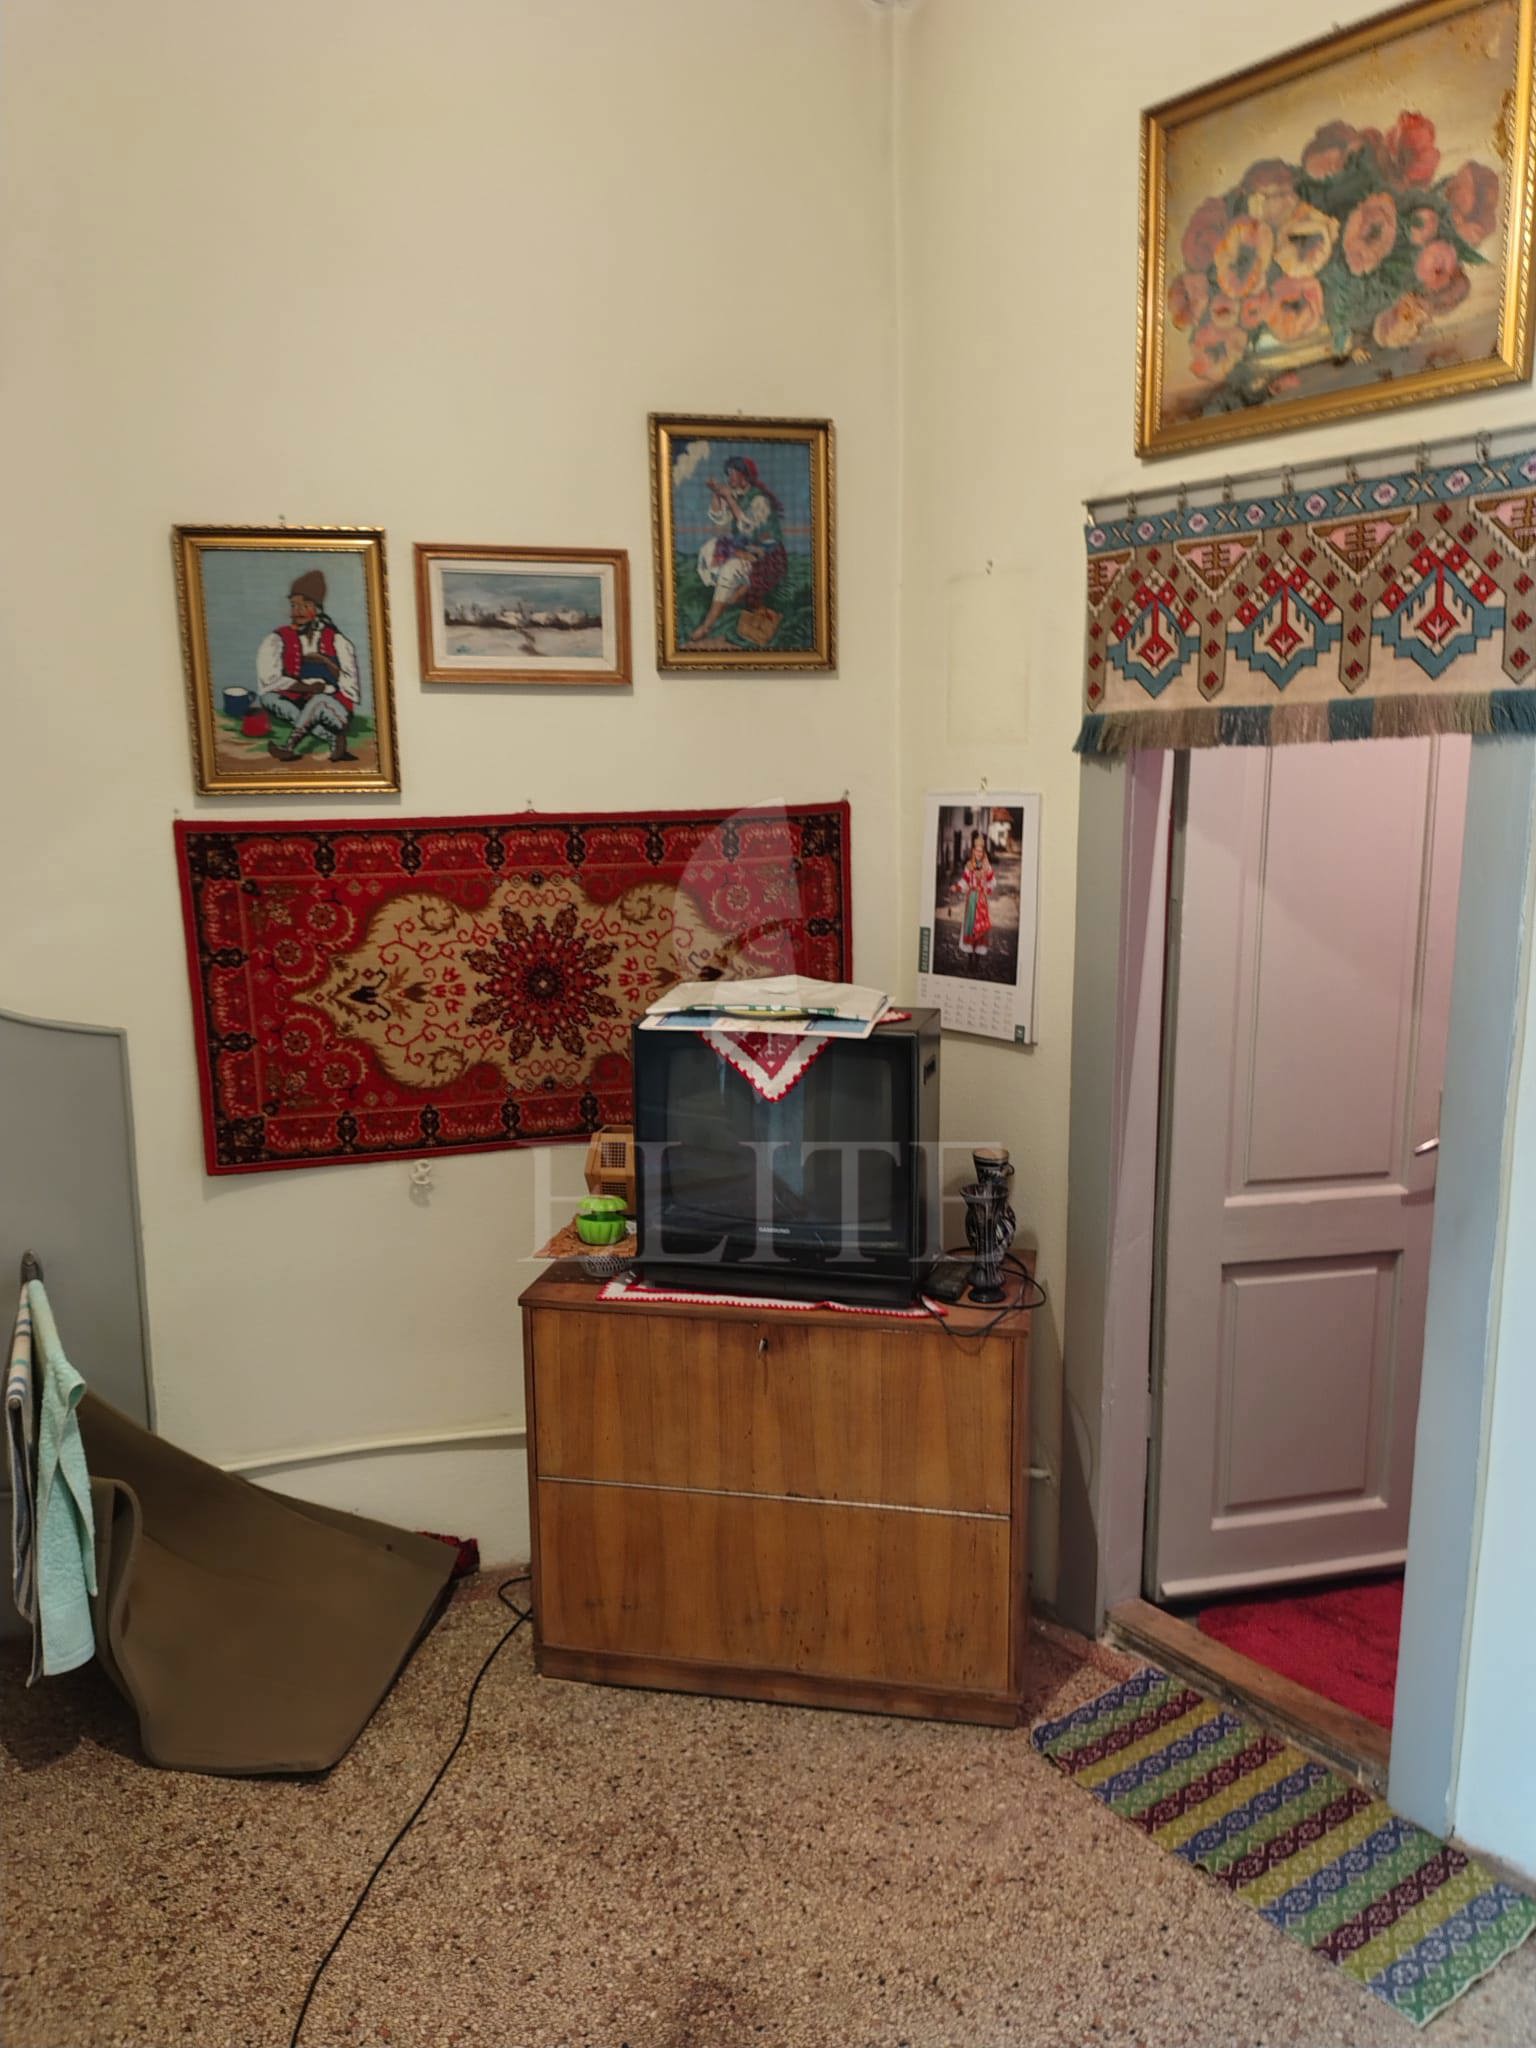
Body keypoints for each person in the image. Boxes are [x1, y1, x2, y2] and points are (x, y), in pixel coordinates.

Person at [255, 569, 361, 762]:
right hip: (300, 700)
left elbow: (351, 687)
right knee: (269, 698)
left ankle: (289, 747)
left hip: (334, 708)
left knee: (318, 702)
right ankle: (334, 740)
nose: (298, 611)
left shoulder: (337, 641)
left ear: (317, 609)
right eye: (294, 605)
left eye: (305, 606)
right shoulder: (278, 638)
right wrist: (306, 687)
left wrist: (325, 661)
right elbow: (269, 680)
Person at [687, 454, 789, 645]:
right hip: (746, 548)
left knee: (729, 570)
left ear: (744, 476)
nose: (730, 478)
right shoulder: (737, 495)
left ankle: (708, 625)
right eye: (728, 474)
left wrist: (729, 498)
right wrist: (717, 493)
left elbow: (749, 527)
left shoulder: (759, 500)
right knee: (709, 550)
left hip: (767, 555)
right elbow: (719, 518)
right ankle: (732, 596)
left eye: (733, 473)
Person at [950, 831, 995, 959]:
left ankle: (977, 958)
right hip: (971, 900)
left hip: (982, 901)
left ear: (983, 852)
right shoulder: (969, 866)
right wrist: (956, 887)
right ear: (973, 851)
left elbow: (992, 882)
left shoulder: (987, 867)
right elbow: (964, 881)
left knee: (981, 928)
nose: (979, 853)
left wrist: (986, 890)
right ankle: (970, 958)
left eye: (981, 851)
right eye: (977, 851)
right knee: (970, 926)